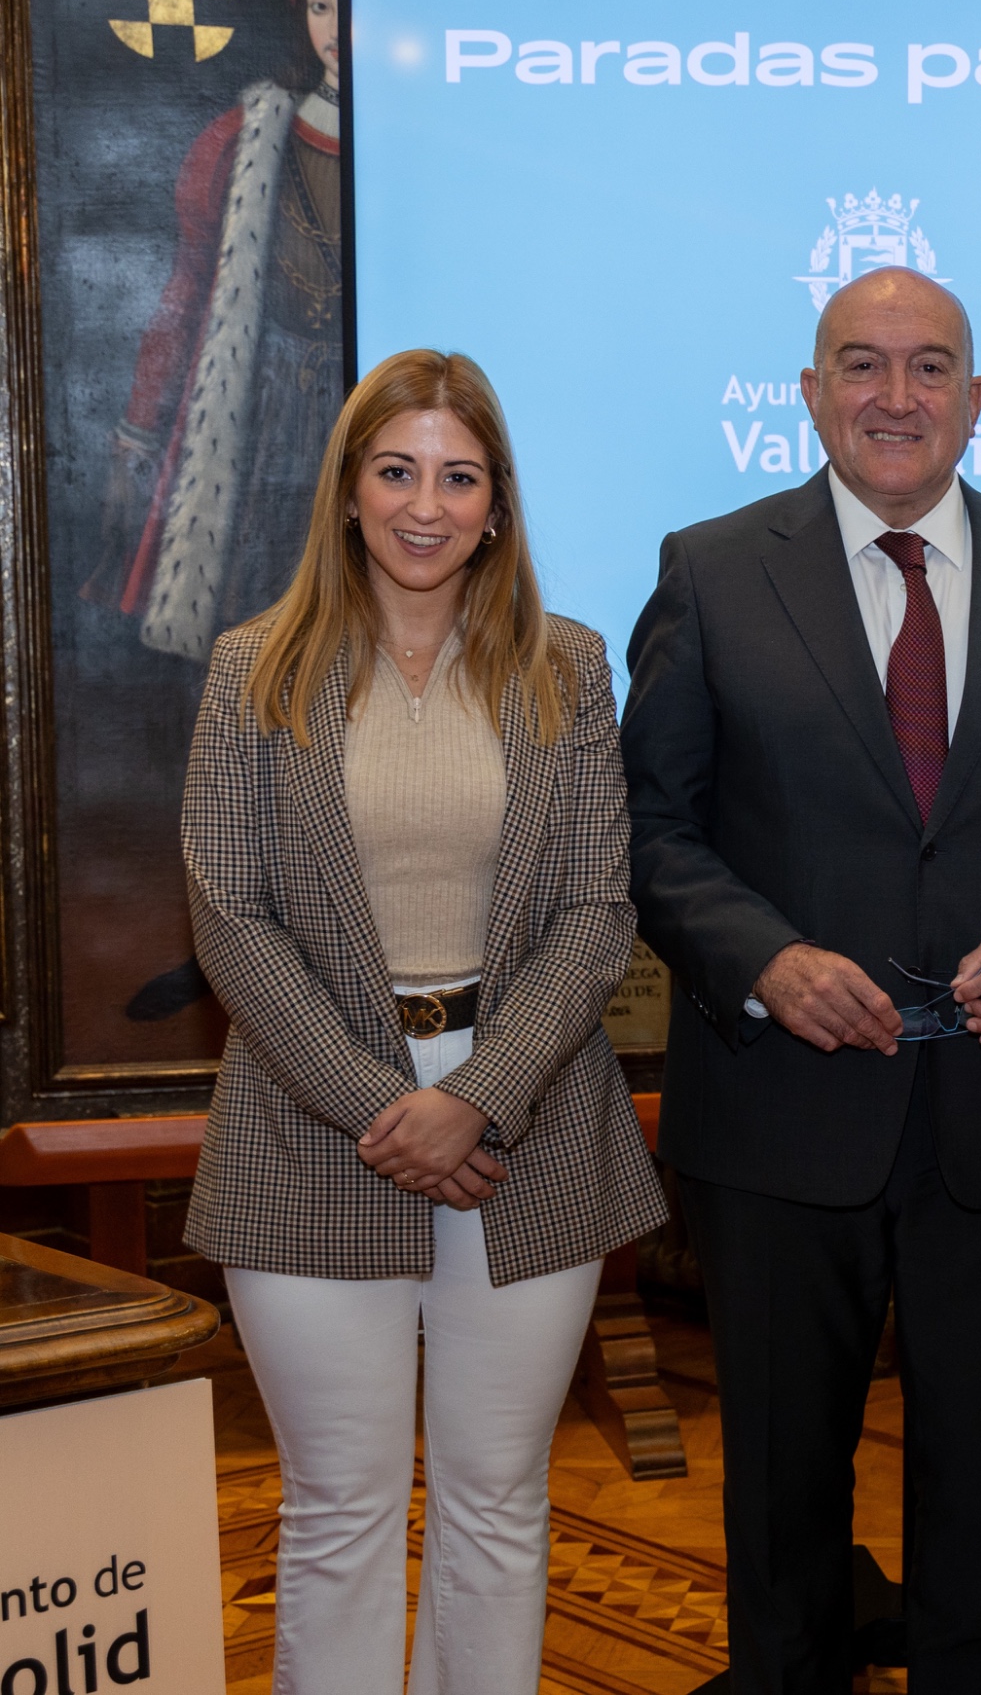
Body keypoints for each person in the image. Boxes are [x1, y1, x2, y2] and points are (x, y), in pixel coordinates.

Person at [621, 267, 981, 1693]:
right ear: (810, 394)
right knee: (780, 1499)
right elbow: (649, 824)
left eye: (929, 365)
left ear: (978, 400)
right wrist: (765, 959)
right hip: (779, 1113)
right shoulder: (710, 568)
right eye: (861, 364)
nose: (895, 394)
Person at [181, 348, 665, 1693]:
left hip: (526, 1117)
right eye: (397, 470)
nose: (425, 505)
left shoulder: (567, 668)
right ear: (349, 488)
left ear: (497, 504)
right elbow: (229, 916)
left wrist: (477, 1094)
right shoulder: (252, 670)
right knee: (337, 1510)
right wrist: (387, 1106)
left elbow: (596, 911)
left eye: (459, 477)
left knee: (499, 1501)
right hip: (309, 1115)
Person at [95, 0, 347, 661]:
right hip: (264, 410)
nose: (336, 27)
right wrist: (137, 430)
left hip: (364, 412)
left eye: (352, 7)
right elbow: (184, 292)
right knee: (255, 616)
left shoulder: (422, 140)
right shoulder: (246, 136)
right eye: (321, 6)